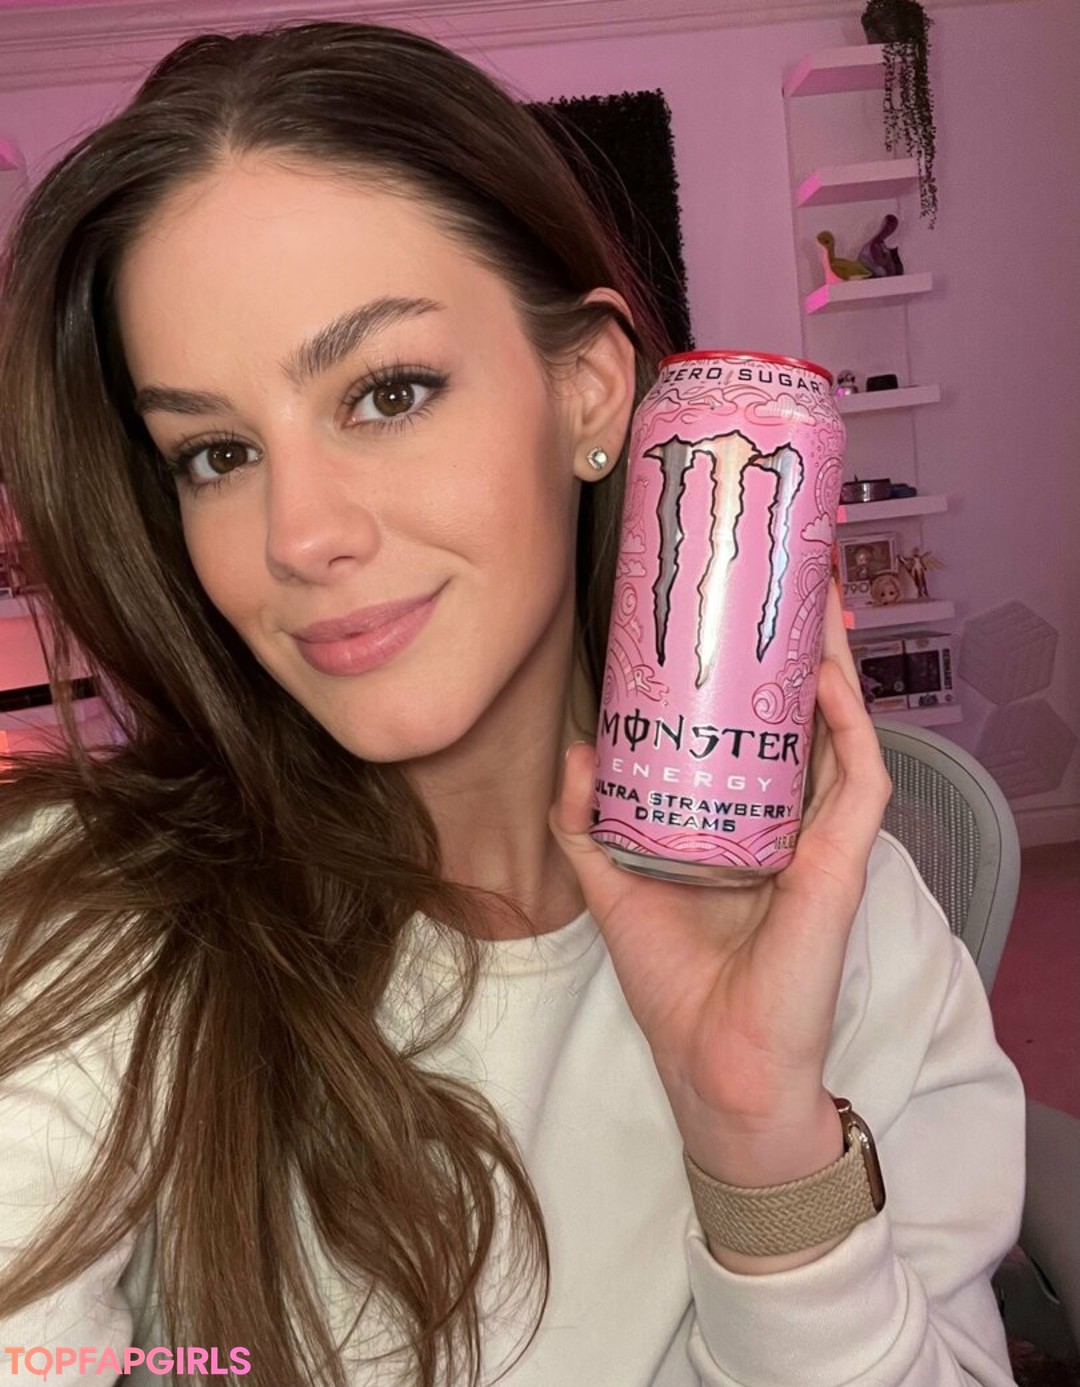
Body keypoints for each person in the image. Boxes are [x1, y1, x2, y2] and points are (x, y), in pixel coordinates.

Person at [0, 20, 1024, 1387]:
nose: (298, 537)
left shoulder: (855, 931)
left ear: (589, 392)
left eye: (388, 392)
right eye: (217, 453)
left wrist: (760, 1152)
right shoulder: (87, 922)